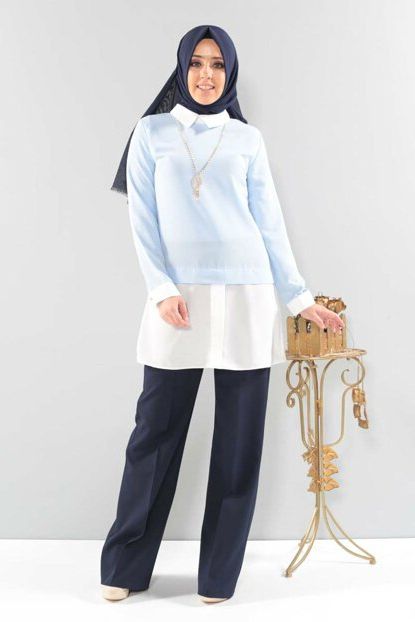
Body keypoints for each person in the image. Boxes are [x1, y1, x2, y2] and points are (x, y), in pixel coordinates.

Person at [100, 24, 344, 604]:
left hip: (247, 295)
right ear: (181, 68)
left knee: (239, 443)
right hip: (178, 299)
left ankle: (218, 576)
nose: (206, 75)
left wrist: (300, 298)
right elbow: (143, 219)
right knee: (154, 434)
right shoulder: (151, 132)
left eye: (217, 65)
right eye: (196, 63)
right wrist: (161, 289)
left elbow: (269, 223)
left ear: (229, 73)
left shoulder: (247, 139)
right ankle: (125, 566)